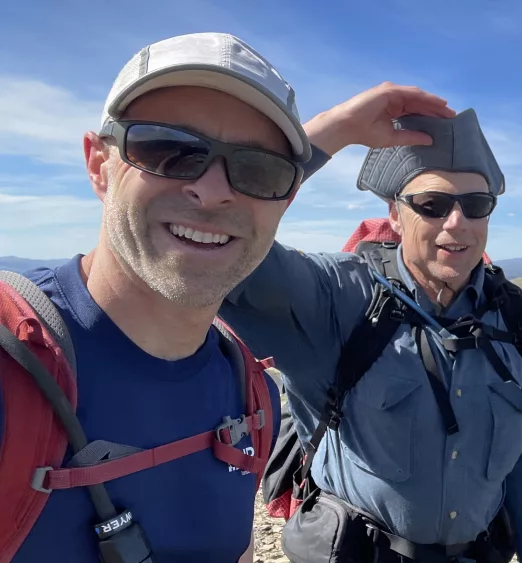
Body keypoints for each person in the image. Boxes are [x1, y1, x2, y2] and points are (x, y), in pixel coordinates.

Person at [0, 31, 458, 562]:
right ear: (100, 164)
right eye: (168, 151)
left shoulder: (248, 392)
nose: (214, 190)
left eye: (256, 168)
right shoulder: (18, 363)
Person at [216, 109, 522, 563]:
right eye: (432, 205)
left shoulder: (509, 312)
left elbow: (521, 456)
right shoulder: (337, 298)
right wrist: (334, 132)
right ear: (395, 213)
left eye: (475, 205)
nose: (457, 222)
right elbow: (221, 236)